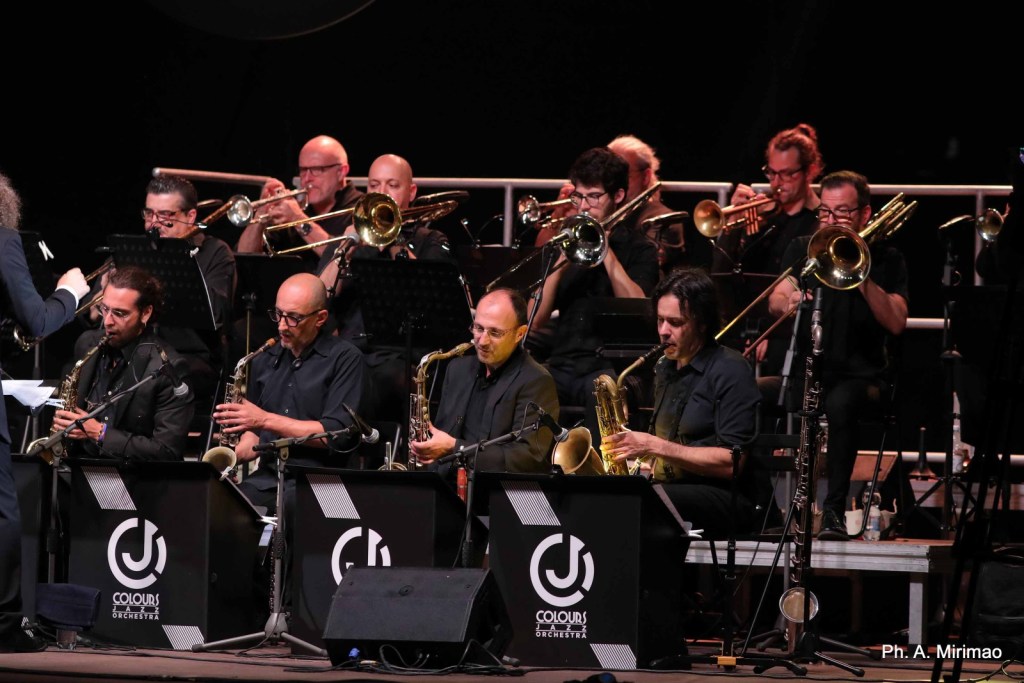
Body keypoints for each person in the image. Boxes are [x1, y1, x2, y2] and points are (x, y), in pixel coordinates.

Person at [762, 171, 908, 540]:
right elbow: (775, 298)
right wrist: (793, 300)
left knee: (841, 403)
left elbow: (896, 321)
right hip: (806, 371)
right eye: (825, 213)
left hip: (862, 377)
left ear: (864, 213)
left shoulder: (887, 257)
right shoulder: (804, 248)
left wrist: (860, 276)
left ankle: (833, 512)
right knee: (751, 393)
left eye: (841, 214)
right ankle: (761, 506)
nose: (830, 222)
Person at [600, 268, 773, 539]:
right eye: (660, 321)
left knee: (640, 501)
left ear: (702, 323)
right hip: (678, 489)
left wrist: (652, 445)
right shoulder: (664, 368)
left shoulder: (731, 369)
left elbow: (732, 463)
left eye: (675, 323)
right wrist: (642, 463)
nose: (663, 332)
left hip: (731, 499)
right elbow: (671, 446)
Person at [0, 170, 89, 653]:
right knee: (1, 509)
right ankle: (4, 624)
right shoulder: (3, 238)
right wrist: (70, 294)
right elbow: (37, 320)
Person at [315, 153, 459, 426]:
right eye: (373, 185)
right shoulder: (353, 238)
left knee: (387, 376)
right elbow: (317, 297)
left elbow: (432, 299)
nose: (382, 193)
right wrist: (344, 248)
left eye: (392, 185)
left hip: (402, 352)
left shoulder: (430, 241)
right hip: (351, 349)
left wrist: (395, 243)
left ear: (411, 192)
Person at [530, 147, 660, 443]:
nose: (584, 206)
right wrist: (557, 266)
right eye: (578, 196)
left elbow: (640, 308)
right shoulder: (565, 242)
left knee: (602, 392)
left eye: (594, 197)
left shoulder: (639, 248)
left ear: (618, 196)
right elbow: (533, 320)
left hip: (609, 366)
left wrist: (606, 251)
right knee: (526, 386)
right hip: (562, 362)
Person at [213, 272, 365, 512]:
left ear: (320, 318)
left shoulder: (345, 359)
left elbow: (336, 434)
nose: (282, 325)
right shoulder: (265, 357)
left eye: (293, 318)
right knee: (221, 507)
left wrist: (264, 419)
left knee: (292, 513)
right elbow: (255, 433)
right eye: (278, 314)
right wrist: (234, 456)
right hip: (270, 478)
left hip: (326, 482)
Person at [81, 175, 236, 402]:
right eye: (149, 214)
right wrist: (104, 293)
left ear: (190, 216)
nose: (153, 223)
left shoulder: (215, 252)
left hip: (189, 355)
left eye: (164, 215)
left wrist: (181, 268)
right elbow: (91, 316)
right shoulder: (135, 250)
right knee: (84, 349)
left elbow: (218, 314)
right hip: (132, 349)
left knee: (148, 374)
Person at [410, 287, 558, 474]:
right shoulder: (457, 369)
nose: (482, 341)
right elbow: (443, 435)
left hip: (495, 493)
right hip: (446, 485)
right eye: (478, 328)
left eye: (495, 333)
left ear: (520, 334)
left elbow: (527, 458)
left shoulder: (536, 381)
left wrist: (455, 448)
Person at [54, 266, 195, 462]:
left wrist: (100, 434)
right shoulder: (87, 343)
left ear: (145, 313)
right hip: (77, 466)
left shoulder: (169, 368)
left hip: (133, 477)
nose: (108, 322)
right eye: (105, 309)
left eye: (120, 313)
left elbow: (167, 451)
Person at [712, 123, 824, 277]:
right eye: (772, 172)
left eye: (786, 173)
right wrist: (734, 224)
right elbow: (719, 271)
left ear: (810, 171)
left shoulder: (821, 220)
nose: (776, 182)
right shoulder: (764, 216)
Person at [236, 134, 364, 263]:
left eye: (316, 169)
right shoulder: (293, 209)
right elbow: (244, 258)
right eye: (303, 170)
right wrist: (261, 213)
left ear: (341, 171)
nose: (307, 178)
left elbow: (349, 259)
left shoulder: (363, 207)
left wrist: (298, 219)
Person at [607, 134, 699, 274]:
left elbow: (646, 264)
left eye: (623, 175)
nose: (613, 182)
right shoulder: (601, 211)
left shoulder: (664, 219)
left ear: (646, 177)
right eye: (608, 175)